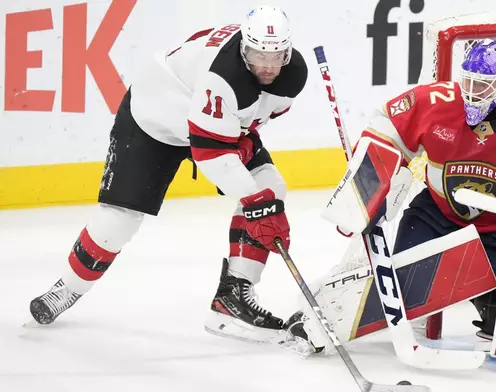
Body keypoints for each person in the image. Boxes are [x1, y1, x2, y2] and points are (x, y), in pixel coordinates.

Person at [29, 6, 308, 344]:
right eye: (256, 54)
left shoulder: (293, 74)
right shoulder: (223, 76)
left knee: (270, 185)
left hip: (209, 118)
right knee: (119, 220)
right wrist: (255, 205)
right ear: (243, 47)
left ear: (288, 51)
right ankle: (66, 289)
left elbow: (250, 117)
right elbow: (211, 155)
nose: (266, 66)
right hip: (154, 117)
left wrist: (251, 165)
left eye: (275, 56)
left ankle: (232, 300)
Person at [307, 39, 496, 345]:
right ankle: (328, 314)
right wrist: (364, 192)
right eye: (468, 82)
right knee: (406, 290)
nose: (471, 93)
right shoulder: (436, 101)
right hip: (437, 217)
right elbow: (386, 129)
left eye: (483, 86)